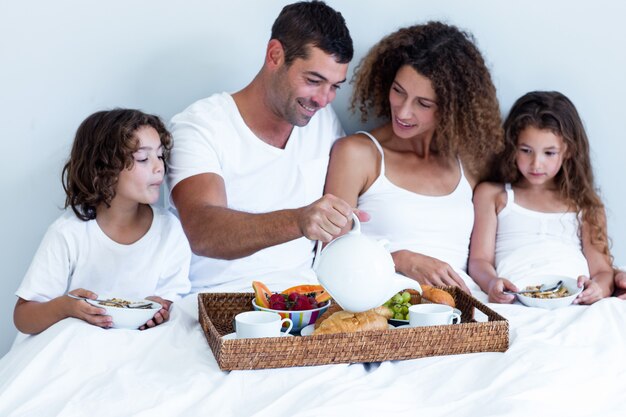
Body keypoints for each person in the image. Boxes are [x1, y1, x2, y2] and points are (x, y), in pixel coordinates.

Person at [167, 1, 363, 291]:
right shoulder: (200, 125)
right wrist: (299, 220)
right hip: (218, 301)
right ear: (275, 56)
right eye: (313, 80)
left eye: (335, 86)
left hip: (305, 301)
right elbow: (202, 231)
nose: (323, 99)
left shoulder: (322, 120)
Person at [324, 22, 503, 294]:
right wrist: (401, 259)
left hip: (464, 313)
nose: (404, 112)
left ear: (451, 108)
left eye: (423, 103)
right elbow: (331, 258)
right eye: (398, 91)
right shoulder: (359, 154)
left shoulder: (469, 163)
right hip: (389, 312)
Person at [13, 109, 192, 334]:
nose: (159, 167)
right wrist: (65, 307)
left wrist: (162, 307)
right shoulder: (69, 232)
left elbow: (172, 303)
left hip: (141, 348)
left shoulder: (169, 230)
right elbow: (23, 317)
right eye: (143, 158)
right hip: (75, 346)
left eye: (160, 155)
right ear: (104, 169)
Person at [468, 91, 614, 304]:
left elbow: (602, 270)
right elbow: (479, 260)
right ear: (512, 147)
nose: (536, 164)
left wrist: (597, 289)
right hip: (516, 298)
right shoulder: (493, 196)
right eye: (526, 150)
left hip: (573, 302)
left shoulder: (586, 204)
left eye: (549, 153)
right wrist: (492, 283)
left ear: (569, 151)